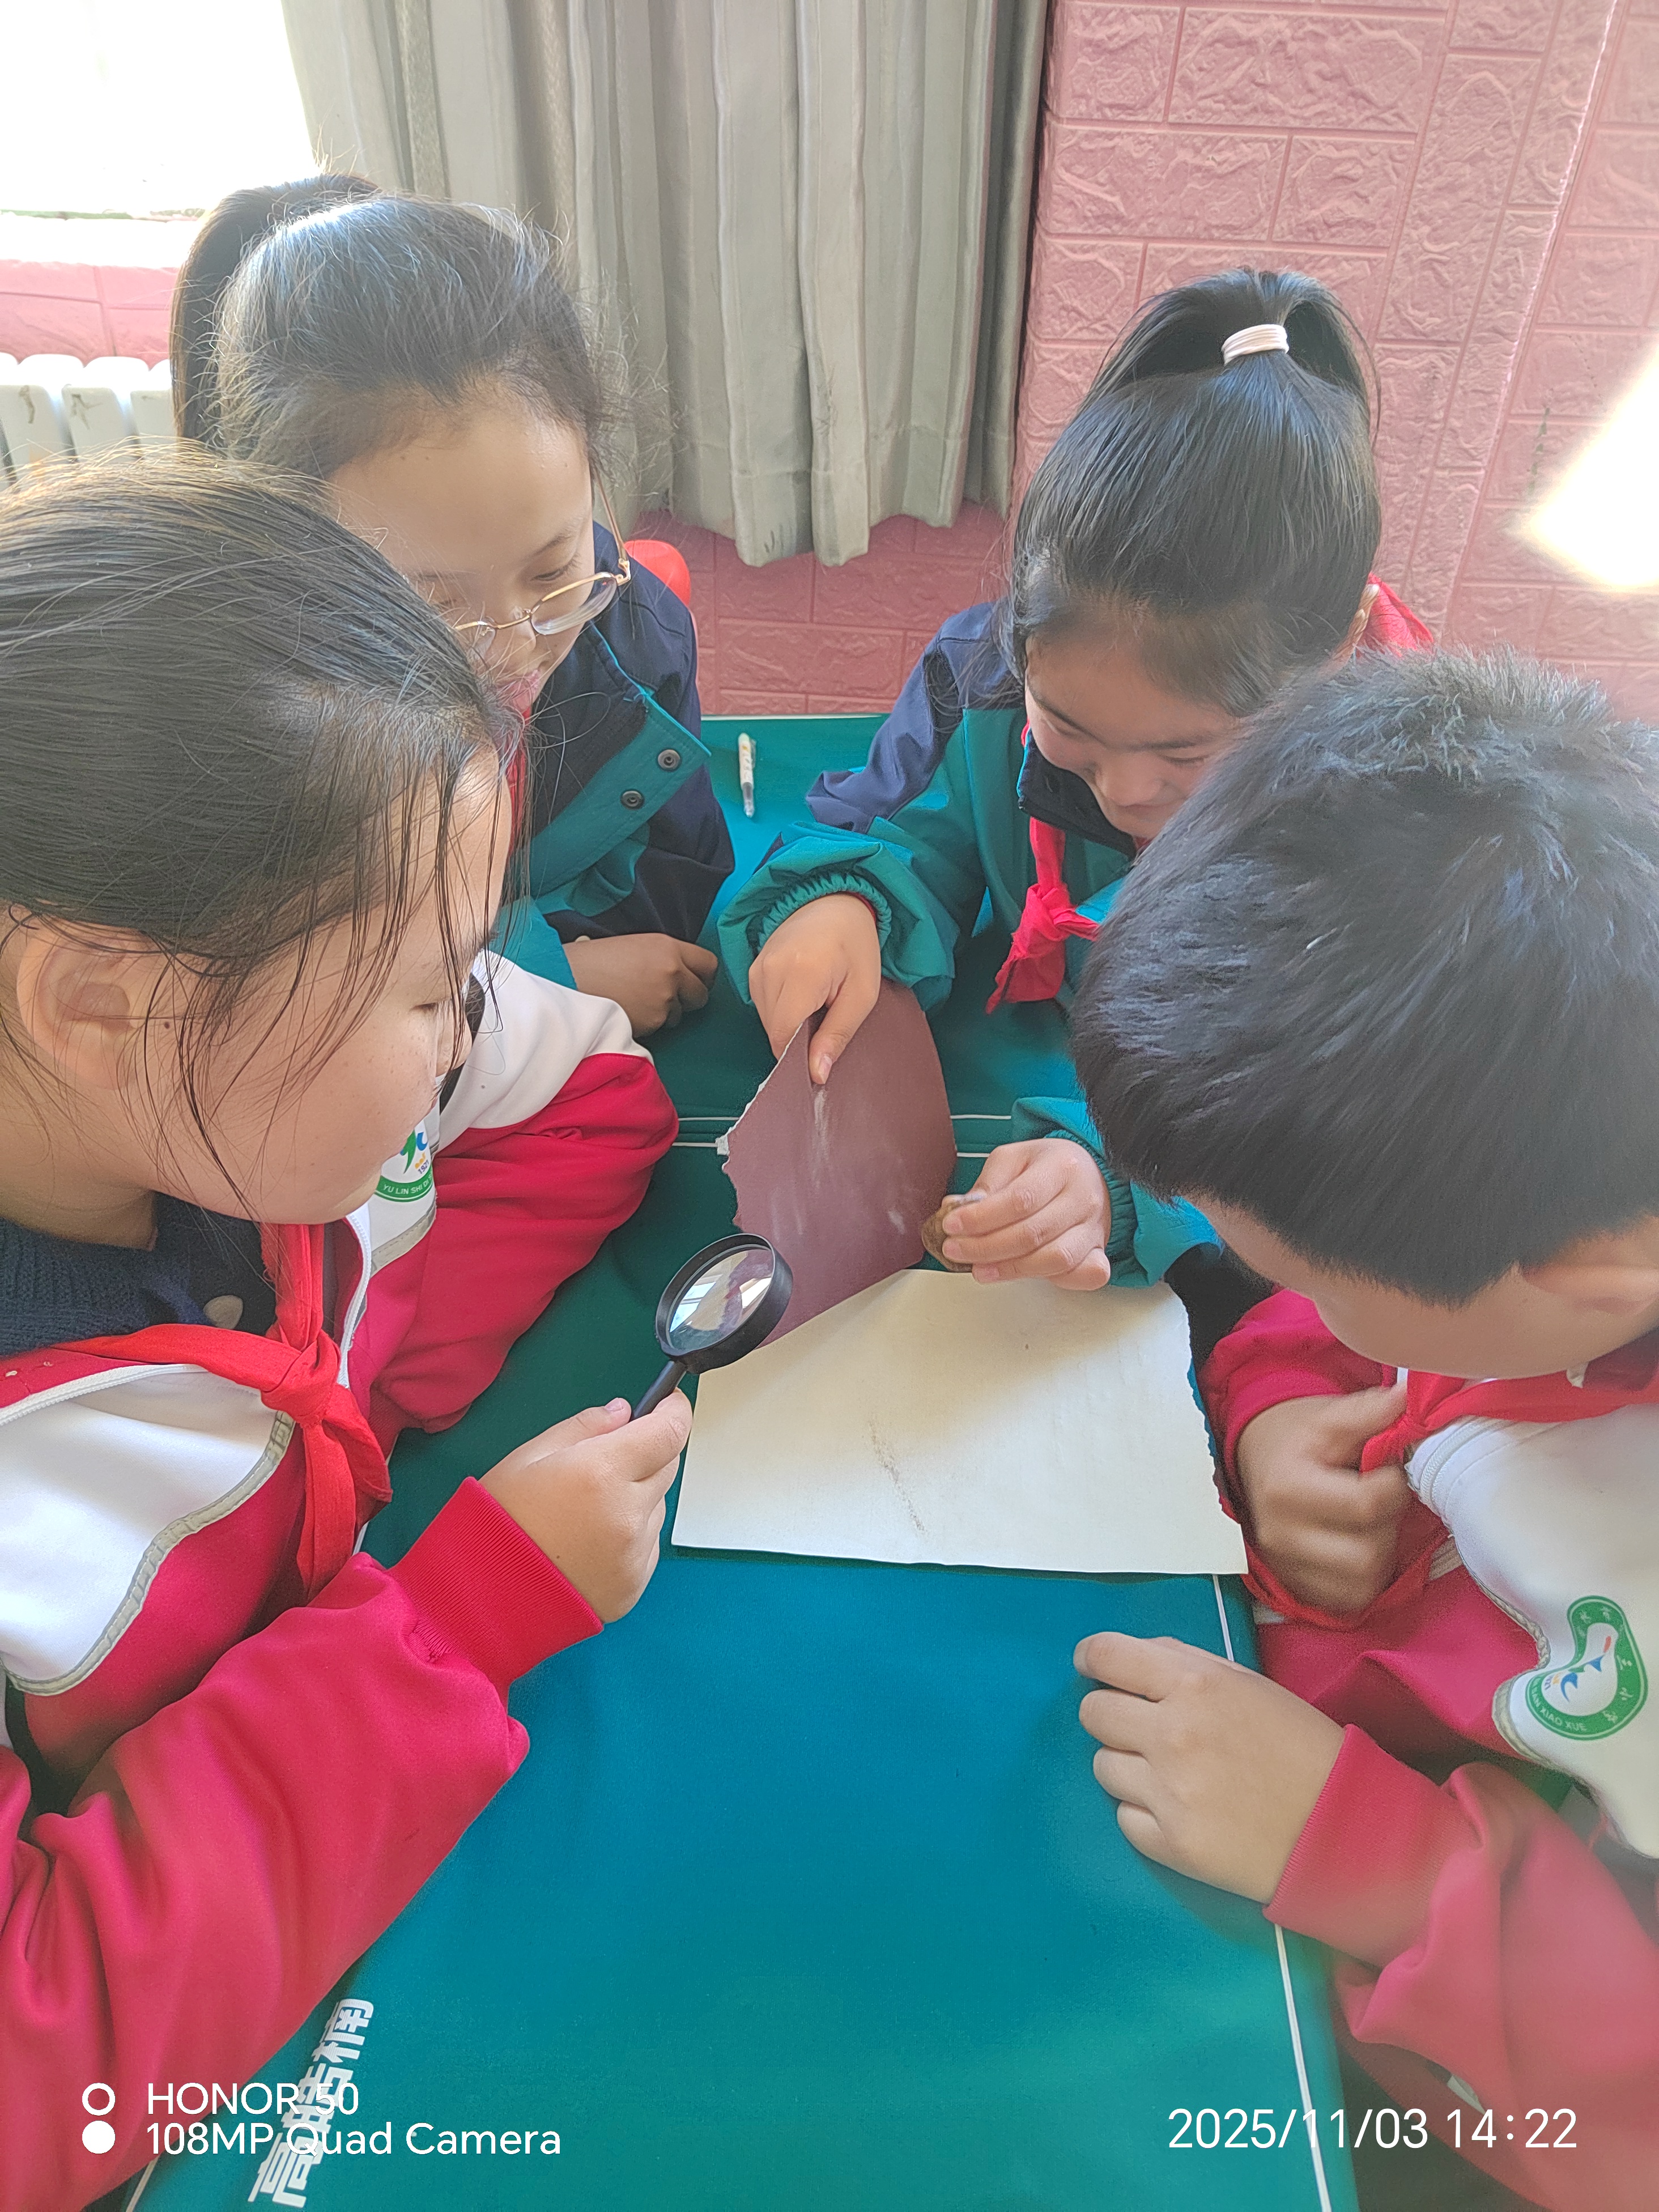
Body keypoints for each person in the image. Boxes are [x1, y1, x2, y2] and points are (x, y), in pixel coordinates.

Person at [0, 461, 691, 2211]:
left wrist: (365, 1401)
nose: (467, 1027)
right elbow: (33, 2074)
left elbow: (580, 1097)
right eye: (430, 989)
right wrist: (450, 1628)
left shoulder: (227, 1100)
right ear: (96, 1005)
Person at [1067, 648, 1659, 2212]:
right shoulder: (1544, 1174)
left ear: (1585, 1275)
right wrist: (1274, 1409)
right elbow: (1348, 1313)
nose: (1294, 1295)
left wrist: (1380, 1864)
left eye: (1307, 1269)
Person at [718, 270, 1428, 1296]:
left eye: (1186, 755)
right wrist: (840, 899)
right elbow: (906, 832)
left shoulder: (1400, 828)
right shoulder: (985, 687)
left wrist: (1119, 1183)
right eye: (1073, 733)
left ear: (1345, 644)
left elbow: (1333, 1106)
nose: (1125, 791)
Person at [171, 175, 729, 1039]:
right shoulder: (236, 715)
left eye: (552, 570)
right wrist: (537, 976)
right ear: (291, 550)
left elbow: (676, 889)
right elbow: (252, 982)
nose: (511, 646)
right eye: (431, 604)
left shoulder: (638, 637)